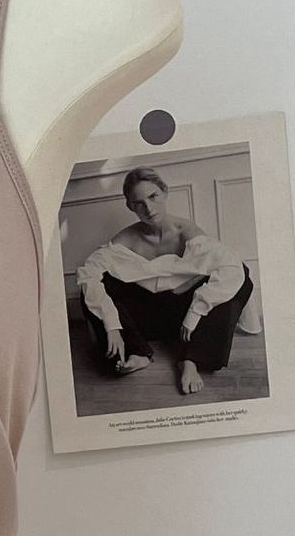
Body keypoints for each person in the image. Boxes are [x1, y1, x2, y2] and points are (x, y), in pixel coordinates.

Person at [76, 166, 254, 394]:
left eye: (153, 197)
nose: (148, 208)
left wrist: (195, 312)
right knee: (92, 287)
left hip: (185, 319)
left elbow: (231, 266)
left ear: (165, 192)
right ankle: (137, 351)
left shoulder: (187, 232)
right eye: (139, 203)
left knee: (242, 276)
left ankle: (190, 360)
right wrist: (111, 324)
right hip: (145, 320)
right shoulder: (126, 239)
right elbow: (88, 274)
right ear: (130, 206)